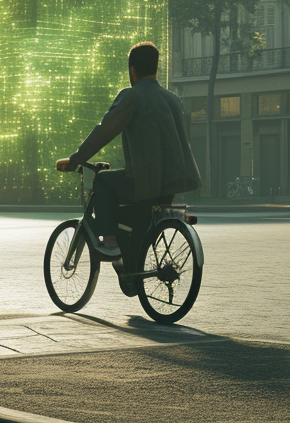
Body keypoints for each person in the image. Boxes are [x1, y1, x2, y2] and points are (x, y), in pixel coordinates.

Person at [56, 42, 201, 290]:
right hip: (174, 183)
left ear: (132, 71)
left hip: (145, 181)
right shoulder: (172, 99)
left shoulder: (132, 96)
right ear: (156, 68)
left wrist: (76, 159)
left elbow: (105, 130)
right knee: (135, 221)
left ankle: (110, 242)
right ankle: (132, 274)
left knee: (103, 182)